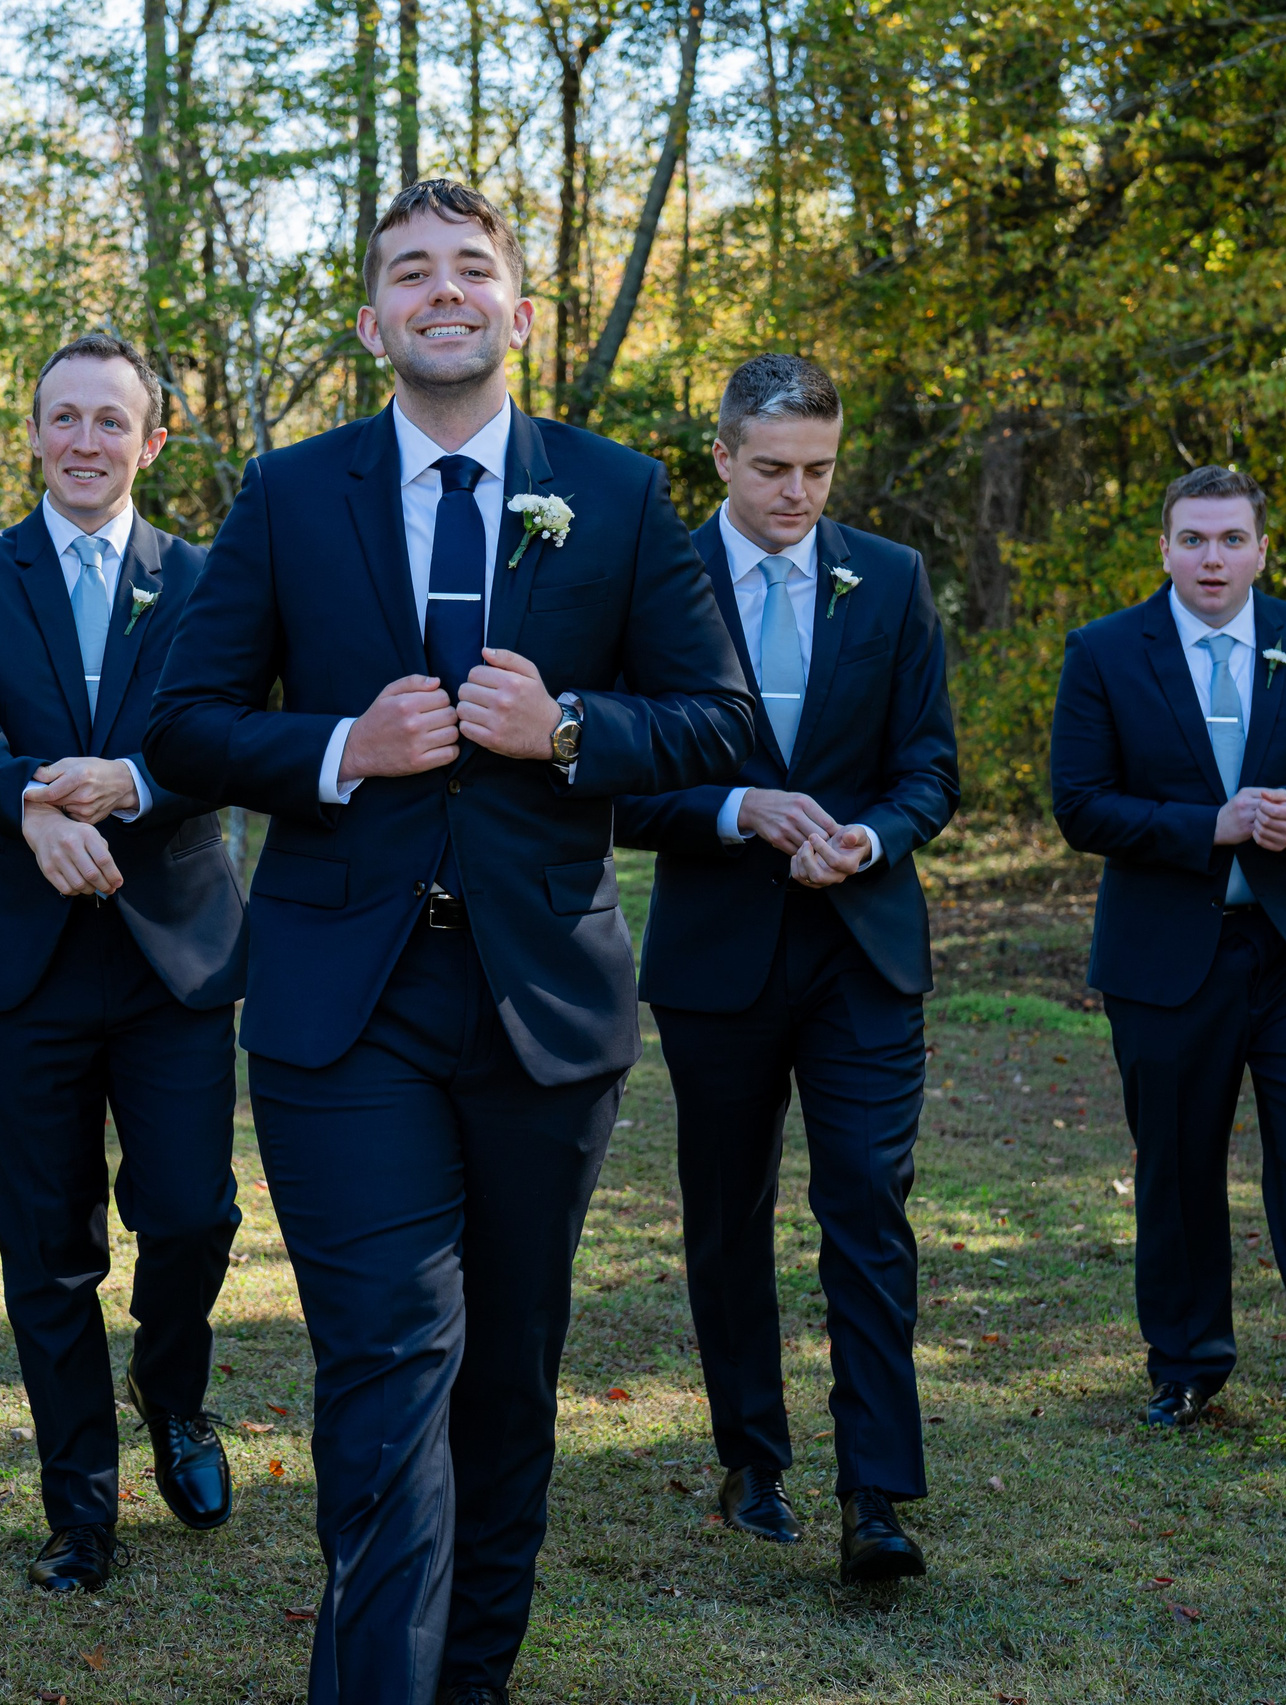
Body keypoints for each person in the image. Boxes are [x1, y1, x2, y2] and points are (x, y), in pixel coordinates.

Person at [147, 179, 755, 1705]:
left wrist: (568, 728)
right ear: (371, 320)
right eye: (408, 272)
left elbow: (723, 721)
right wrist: (342, 748)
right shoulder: (291, 493)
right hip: (343, 1005)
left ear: (518, 312)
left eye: (469, 269)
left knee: (503, 1385)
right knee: (386, 1368)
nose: (441, 291)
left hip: (541, 1006)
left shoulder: (614, 495)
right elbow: (188, 722)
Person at [0, 335, 249, 1595]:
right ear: (36, 434)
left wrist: (141, 783)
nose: (87, 441)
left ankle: (175, 1396)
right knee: (46, 1241)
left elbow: (230, 730)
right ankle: (80, 1505)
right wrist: (29, 808)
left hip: (174, 948)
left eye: (113, 421)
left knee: (191, 1213)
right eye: (65, 419)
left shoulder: (211, 579)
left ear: (150, 442)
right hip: (19, 951)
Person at [614, 354, 958, 1582]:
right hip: (717, 961)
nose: (797, 493)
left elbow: (932, 767)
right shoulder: (658, 580)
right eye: (771, 469)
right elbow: (618, 782)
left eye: (818, 468)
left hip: (863, 950)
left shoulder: (893, 578)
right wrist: (733, 809)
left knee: (866, 1205)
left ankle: (877, 1492)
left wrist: (875, 834)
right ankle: (752, 1458)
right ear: (719, 457)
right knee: (726, 1216)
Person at [1049, 464, 1286, 1451]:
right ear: (1164, 547)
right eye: (1193, 539)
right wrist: (1205, 825)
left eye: (1230, 540)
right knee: (1176, 1167)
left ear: (1261, 548)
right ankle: (1184, 1371)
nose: (1211, 558)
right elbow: (1079, 803)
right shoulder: (1102, 651)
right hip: (1164, 956)